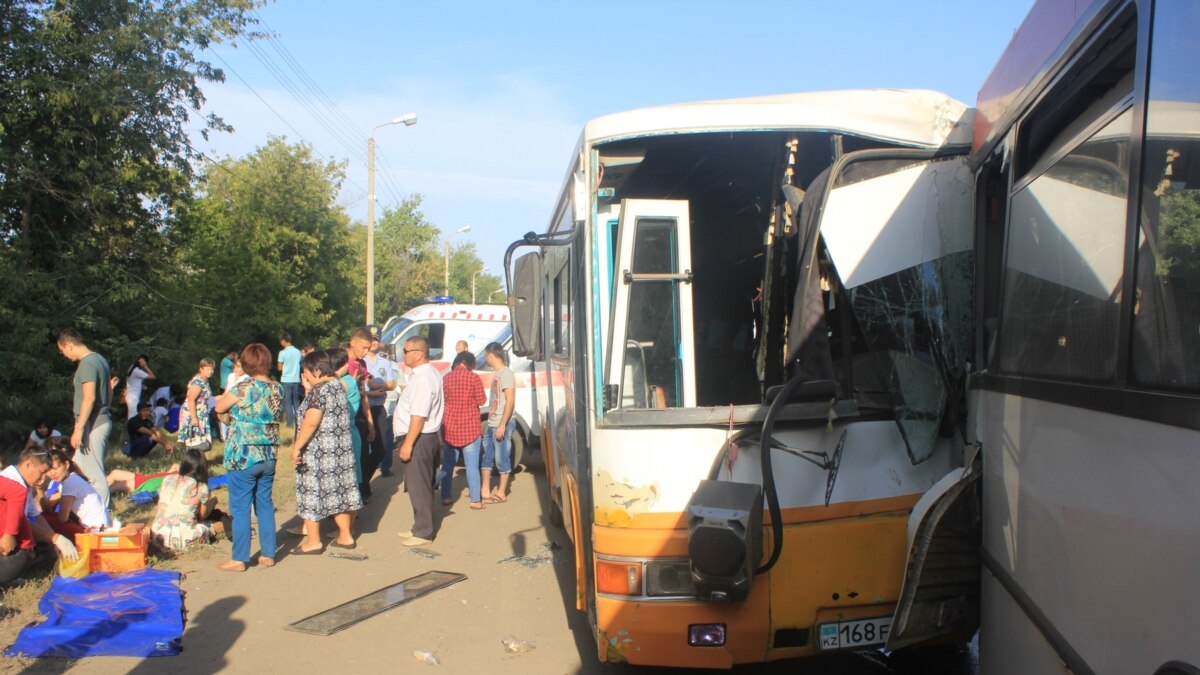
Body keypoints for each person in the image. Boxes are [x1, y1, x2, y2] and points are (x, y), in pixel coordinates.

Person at [214, 343, 283, 572]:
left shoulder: (243, 387)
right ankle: (268, 554)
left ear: (246, 363)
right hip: (268, 454)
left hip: (243, 455)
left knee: (241, 507)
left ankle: (240, 558)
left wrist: (229, 415)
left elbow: (220, 407)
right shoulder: (278, 389)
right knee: (264, 504)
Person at [291, 350, 360, 554]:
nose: (305, 376)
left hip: (318, 453)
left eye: (307, 372)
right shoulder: (338, 386)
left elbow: (312, 421)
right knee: (338, 494)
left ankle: (313, 541)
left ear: (318, 370)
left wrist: (297, 447)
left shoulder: (320, 390)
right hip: (340, 452)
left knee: (310, 494)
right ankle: (346, 536)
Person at [392, 336, 444, 546]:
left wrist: (408, 444)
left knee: (419, 486)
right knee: (419, 484)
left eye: (405, 351)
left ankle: (423, 532)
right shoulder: (424, 374)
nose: (403, 355)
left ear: (418, 353)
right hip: (423, 437)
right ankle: (419, 526)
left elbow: (419, 415)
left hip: (419, 438)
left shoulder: (423, 378)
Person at [56, 328, 113, 510]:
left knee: (95, 474)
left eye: (62, 350)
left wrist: (79, 428)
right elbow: (109, 391)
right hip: (100, 419)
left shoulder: (87, 364)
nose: (63, 355)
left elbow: (89, 398)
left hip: (92, 424)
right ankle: (77, 509)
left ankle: (103, 517)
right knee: (77, 468)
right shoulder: (100, 359)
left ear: (69, 345)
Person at [150, 448, 225, 553]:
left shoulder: (168, 479)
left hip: (157, 535)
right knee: (218, 525)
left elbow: (160, 507)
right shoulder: (201, 487)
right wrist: (211, 503)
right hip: (182, 538)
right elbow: (201, 516)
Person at [440, 352, 487, 509]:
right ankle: (475, 500)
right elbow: (481, 400)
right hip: (470, 428)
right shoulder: (474, 378)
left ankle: (445, 496)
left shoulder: (446, 378)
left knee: (447, 465)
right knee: (472, 466)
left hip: (450, 428)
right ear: (470, 363)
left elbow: (442, 401)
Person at [0, 449, 55, 584]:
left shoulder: (21, 486)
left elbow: (34, 516)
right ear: (28, 465)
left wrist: (54, 539)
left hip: (15, 551)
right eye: (41, 473)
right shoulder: (14, 485)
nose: (43, 480)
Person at [43, 447, 111, 538]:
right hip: (103, 525)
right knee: (45, 517)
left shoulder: (70, 483)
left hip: (97, 530)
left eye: (56, 468)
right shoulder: (73, 477)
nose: (52, 473)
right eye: (48, 470)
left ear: (66, 465)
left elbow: (62, 519)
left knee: (45, 520)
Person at [481, 342, 517, 503]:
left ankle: (502, 492)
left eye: (485, 355)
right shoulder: (498, 374)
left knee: (501, 458)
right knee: (487, 456)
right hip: (492, 422)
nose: (485, 358)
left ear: (490, 355)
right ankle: (485, 490)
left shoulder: (506, 374)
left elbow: (510, 401)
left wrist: (502, 425)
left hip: (501, 424)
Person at [329, 349, 365, 504]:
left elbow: (333, 391)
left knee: (348, 479)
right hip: (347, 433)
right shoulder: (348, 379)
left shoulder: (346, 381)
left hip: (347, 434)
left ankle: (349, 520)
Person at [347, 328, 378, 495]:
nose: (366, 352)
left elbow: (363, 394)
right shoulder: (340, 362)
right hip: (343, 414)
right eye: (364, 348)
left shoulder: (362, 364)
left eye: (369, 348)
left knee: (363, 455)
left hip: (358, 415)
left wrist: (370, 422)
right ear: (353, 342)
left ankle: (361, 492)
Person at [364, 333, 398, 479]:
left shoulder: (385, 362)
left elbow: (392, 384)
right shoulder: (361, 361)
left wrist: (377, 385)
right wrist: (372, 392)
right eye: (371, 340)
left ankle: (369, 476)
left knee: (382, 446)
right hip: (363, 407)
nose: (374, 343)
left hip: (379, 407)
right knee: (364, 448)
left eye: (376, 340)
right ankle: (364, 484)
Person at [178, 358, 215, 451]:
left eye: (212, 369)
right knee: (201, 442)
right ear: (201, 369)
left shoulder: (205, 380)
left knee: (203, 441)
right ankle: (187, 452)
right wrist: (194, 418)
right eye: (208, 369)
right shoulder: (198, 382)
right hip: (193, 413)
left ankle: (196, 460)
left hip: (201, 412)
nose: (211, 371)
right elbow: (191, 400)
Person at [277, 333, 302, 427]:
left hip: (286, 380)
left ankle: (290, 423)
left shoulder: (282, 353)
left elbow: (279, 368)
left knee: (288, 402)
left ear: (283, 341)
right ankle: (299, 420)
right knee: (296, 401)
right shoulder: (298, 352)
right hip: (296, 379)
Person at [123, 355, 156, 420]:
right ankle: (130, 430)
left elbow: (131, 380)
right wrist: (146, 367)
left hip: (131, 396)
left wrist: (141, 386)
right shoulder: (136, 371)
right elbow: (153, 377)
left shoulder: (132, 367)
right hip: (133, 397)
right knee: (132, 418)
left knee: (132, 416)